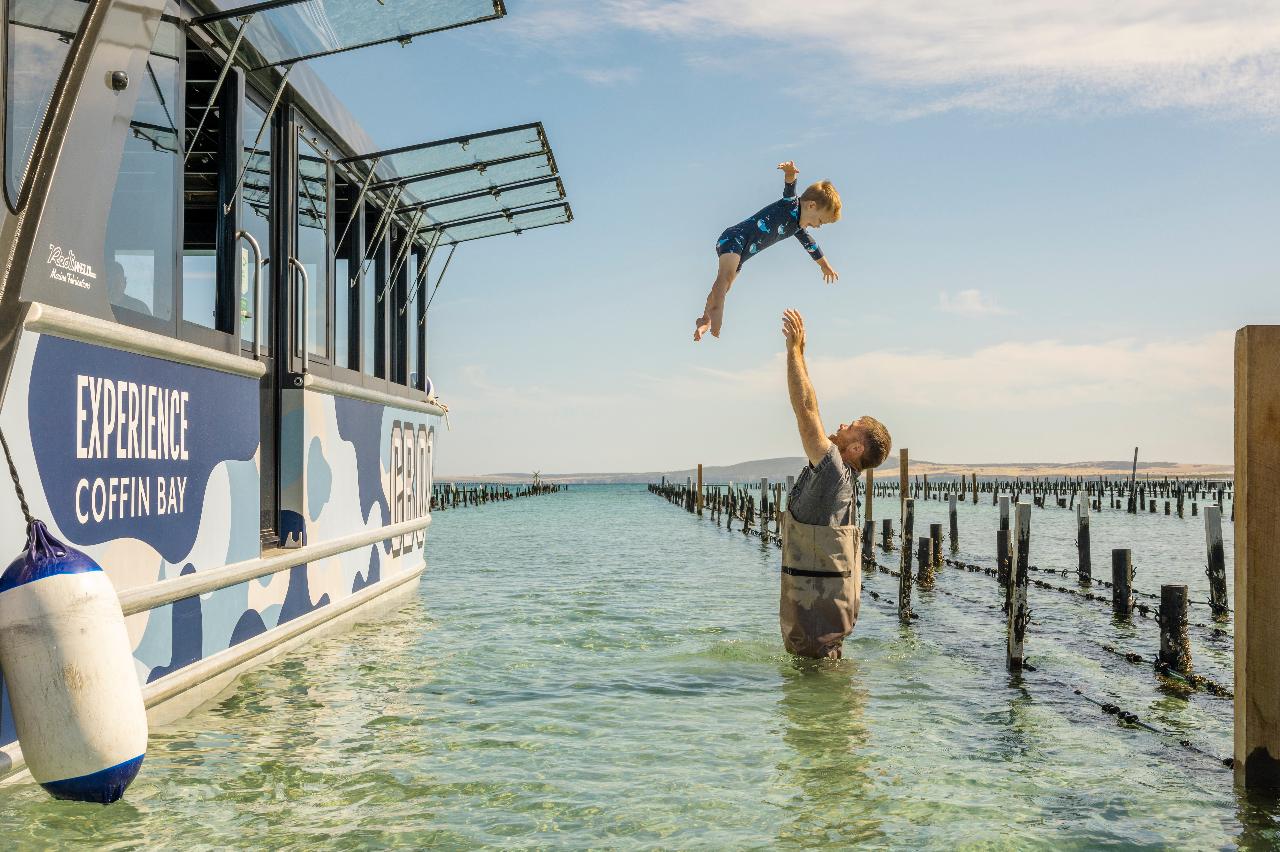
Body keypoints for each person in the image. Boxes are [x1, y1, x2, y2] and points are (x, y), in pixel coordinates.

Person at [778, 308, 891, 659]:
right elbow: (813, 406)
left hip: (813, 644)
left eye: (850, 426)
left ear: (856, 448)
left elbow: (806, 410)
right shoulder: (843, 479)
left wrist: (793, 352)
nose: (841, 424)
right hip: (821, 642)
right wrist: (802, 356)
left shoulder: (833, 475)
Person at [694, 162, 841, 342]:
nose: (818, 226)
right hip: (735, 238)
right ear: (811, 206)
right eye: (820, 220)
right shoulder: (791, 205)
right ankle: (716, 312)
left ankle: (705, 319)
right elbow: (789, 188)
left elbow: (811, 246)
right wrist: (789, 173)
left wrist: (824, 266)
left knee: (725, 287)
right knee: (724, 278)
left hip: (742, 254)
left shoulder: (797, 228)